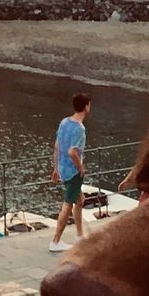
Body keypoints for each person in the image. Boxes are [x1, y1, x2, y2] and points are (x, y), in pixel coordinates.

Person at [50, 93, 90, 253]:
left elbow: (56, 146)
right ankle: (55, 241)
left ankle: (79, 235)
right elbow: (73, 152)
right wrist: (81, 169)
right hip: (73, 172)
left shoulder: (64, 122)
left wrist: (56, 168)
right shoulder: (80, 129)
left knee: (80, 200)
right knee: (68, 205)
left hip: (63, 169)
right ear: (86, 107)